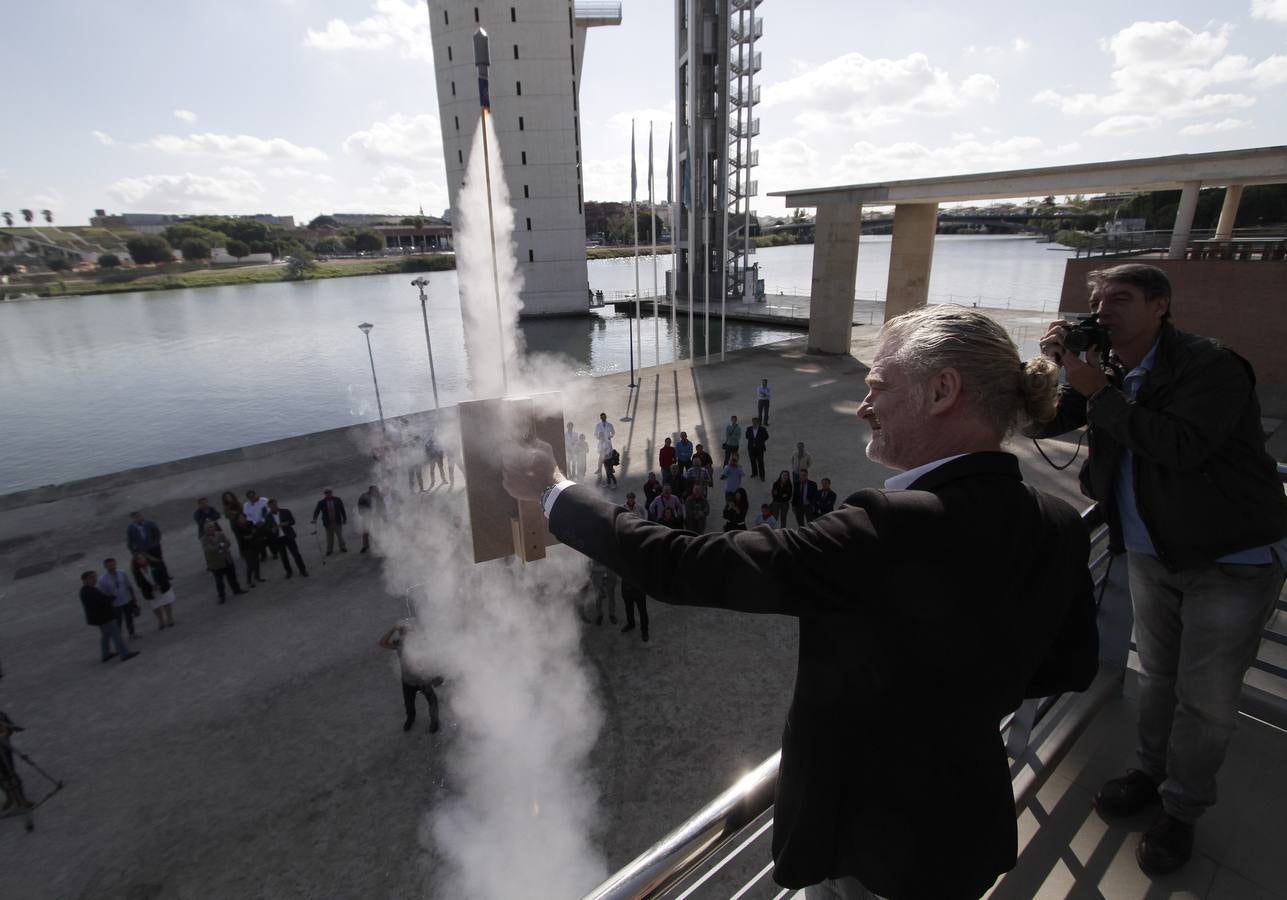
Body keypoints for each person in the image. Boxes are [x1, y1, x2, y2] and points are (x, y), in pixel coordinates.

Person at [502, 304, 1099, 899]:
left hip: (872, 846)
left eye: (878, 387)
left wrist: (554, 491)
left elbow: (681, 566)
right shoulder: (1059, 521)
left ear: (942, 390)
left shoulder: (890, 528)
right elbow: (1067, 666)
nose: (865, 407)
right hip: (969, 826)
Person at [1030, 262, 1287, 877]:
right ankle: (1149, 772)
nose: (1104, 307)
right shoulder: (1108, 368)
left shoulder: (1212, 366)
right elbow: (1045, 421)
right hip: (1149, 553)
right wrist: (1055, 368)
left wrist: (1097, 390)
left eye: (1120, 297)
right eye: (1097, 299)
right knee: (1159, 678)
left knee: (1207, 702)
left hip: (1230, 559)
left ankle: (1182, 811)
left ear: (1161, 306)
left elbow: (1181, 446)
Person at [379, 619, 442, 733]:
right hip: (408, 682)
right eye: (404, 633)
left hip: (423, 680)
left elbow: (433, 658)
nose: (407, 635)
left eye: (409, 632)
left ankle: (434, 721)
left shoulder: (421, 644)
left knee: (433, 701)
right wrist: (393, 629)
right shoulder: (399, 644)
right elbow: (382, 643)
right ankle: (410, 718)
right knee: (409, 704)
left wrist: (435, 675)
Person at [80, 570, 139, 663]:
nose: (94, 579)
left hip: (99, 618)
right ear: (85, 579)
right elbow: (101, 602)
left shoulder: (87, 590)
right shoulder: (89, 591)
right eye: (92, 577)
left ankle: (106, 653)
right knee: (116, 635)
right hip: (105, 617)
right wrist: (112, 597)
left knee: (105, 636)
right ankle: (124, 653)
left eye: (94, 577)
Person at [201, 522, 246, 603]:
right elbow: (209, 550)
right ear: (206, 530)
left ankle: (236, 589)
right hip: (216, 564)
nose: (211, 529)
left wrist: (220, 546)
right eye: (209, 528)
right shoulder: (204, 539)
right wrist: (220, 546)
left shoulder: (220, 534)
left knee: (232, 577)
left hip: (227, 560)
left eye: (212, 527)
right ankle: (221, 596)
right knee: (219, 582)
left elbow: (228, 543)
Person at [131, 552, 176, 630]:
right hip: (150, 591)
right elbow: (139, 583)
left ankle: (170, 618)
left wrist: (159, 584)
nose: (140, 560)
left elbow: (164, 575)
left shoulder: (157, 563)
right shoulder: (137, 571)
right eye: (138, 559)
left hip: (162, 586)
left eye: (141, 558)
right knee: (155, 606)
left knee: (166, 602)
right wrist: (150, 587)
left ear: (145, 557)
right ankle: (161, 621)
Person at [97, 557, 139, 639]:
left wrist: (133, 598)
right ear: (105, 567)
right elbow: (103, 594)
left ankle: (132, 633)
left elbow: (129, 586)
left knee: (129, 618)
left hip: (127, 600)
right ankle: (118, 637)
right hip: (115, 604)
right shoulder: (103, 579)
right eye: (109, 565)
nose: (112, 567)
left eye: (113, 564)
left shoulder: (122, 573)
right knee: (117, 621)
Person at [0, 711, 33, 812]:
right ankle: (10, 797)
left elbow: (10, 728)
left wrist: (6, 731)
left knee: (11, 774)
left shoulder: (1, 715)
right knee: (1, 777)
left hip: (4, 749)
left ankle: (21, 799)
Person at [267, 499, 309, 578]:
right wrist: (273, 529)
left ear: (277, 504)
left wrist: (286, 523)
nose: (274, 507)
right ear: (269, 507)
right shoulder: (268, 516)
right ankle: (288, 572)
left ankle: (303, 570)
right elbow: (268, 528)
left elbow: (293, 521)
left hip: (288, 537)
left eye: (275, 505)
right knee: (283, 557)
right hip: (278, 539)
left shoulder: (285, 511)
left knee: (296, 554)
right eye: (272, 506)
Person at [312, 488, 348, 555]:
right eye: (327, 493)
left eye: (329, 492)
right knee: (329, 537)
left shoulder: (337, 499)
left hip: (337, 521)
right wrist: (314, 519)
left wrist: (344, 518)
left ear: (332, 493)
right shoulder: (321, 502)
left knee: (340, 535)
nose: (328, 494)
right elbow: (317, 511)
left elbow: (342, 509)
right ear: (325, 494)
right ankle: (329, 550)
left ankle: (342, 547)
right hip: (328, 523)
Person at [231, 513, 264, 587]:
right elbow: (241, 537)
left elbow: (255, 532)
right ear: (237, 520)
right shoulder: (236, 527)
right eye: (240, 518)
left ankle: (257, 577)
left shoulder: (250, 523)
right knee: (250, 565)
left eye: (243, 517)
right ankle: (249, 581)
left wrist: (251, 535)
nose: (242, 519)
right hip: (245, 548)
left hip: (254, 545)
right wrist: (250, 535)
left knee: (256, 562)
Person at [243, 490, 273, 560]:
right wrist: (255, 522)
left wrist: (262, 521)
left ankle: (274, 552)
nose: (252, 498)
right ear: (248, 498)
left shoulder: (264, 500)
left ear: (256, 494)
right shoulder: (246, 505)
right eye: (250, 497)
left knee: (270, 538)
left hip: (266, 523)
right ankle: (263, 555)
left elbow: (268, 510)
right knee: (259, 541)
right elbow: (247, 516)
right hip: (256, 525)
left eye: (253, 496)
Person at [357, 485, 386, 553]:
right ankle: (365, 545)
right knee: (365, 531)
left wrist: (384, 516)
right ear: (370, 490)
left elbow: (382, 506)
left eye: (376, 490)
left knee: (377, 530)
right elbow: (360, 505)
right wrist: (362, 513)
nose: (375, 492)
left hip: (376, 516)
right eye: (374, 490)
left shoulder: (379, 496)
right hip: (367, 516)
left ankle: (377, 544)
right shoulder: (363, 496)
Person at [590, 560, 618, 625]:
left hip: (610, 575)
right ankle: (599, 615)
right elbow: (591, 565)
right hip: (598, 576)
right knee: (598, 598)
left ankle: (612, 614)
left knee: (611, 597)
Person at [594, 412, 615, 478]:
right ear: (600, 418)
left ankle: (611, 468)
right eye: (602, 417)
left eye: (604, 417)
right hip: (601, 443)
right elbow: (595, 434)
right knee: (601, 457)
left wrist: (610, 436)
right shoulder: (598, 425)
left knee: (609, 457)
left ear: (606, 417)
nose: (603, 418)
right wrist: (598, 437)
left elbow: (613, 432)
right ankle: (599, 469)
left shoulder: (610, 425)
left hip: (608, 443)